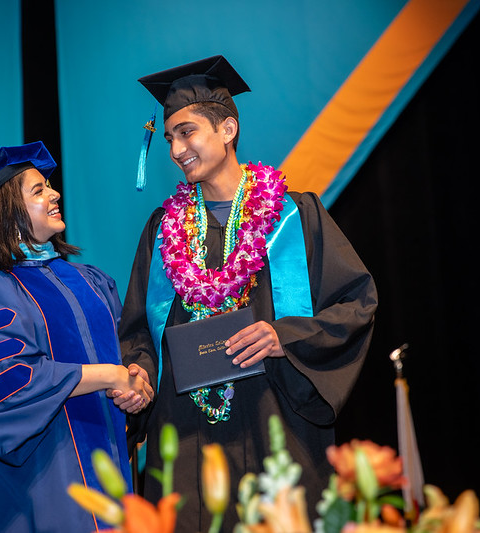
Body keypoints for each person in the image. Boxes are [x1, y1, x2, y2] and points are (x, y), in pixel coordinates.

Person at [117, 55, 378, 532]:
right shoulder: (162, 231)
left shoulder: (294, 218)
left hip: (274, 423)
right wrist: (138, 371)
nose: (176, 149)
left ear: (227, 129)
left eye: (188, 131)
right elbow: (137, 331)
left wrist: (285, 337)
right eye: (170, 137)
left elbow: (355, 305)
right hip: (186, 435)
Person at [0, 141, 153, 533]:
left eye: (49, 186)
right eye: (38, 190)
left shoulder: (92, 280)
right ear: (9, 211)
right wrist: (109, 376)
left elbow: (125, 359)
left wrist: (136, 384)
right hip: (41, 482)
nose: (54, 194)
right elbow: (2, 389)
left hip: (111, 472)